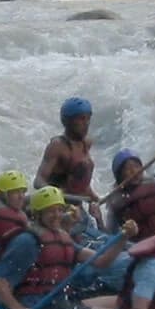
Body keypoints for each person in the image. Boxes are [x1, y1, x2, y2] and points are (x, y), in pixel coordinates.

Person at [0, 186, 136, 309]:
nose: (57, 215)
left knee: (120, 303)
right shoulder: (27, 241)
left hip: (59, 303)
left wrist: (122, 239)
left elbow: (102, 262)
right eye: (51, 211)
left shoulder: (61, 237)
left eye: (60, 210)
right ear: (38, 213)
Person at [103, 137, 155, 242]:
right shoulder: (115, 200)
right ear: (120, 176)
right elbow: (109, 234)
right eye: (127, 169)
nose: (133, 171)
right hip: (140, 248)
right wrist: (98, 218)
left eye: (136, 166)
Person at [36, 97, 102, 229]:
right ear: (68, 122)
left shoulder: (86, 143)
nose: (86, 123)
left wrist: (93, 196)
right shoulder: (57, 146)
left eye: (88, 118)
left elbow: (78, 179)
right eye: (81, 119)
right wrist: (56, 195)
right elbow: (38, 181)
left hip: (77, 206)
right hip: (59, 210)